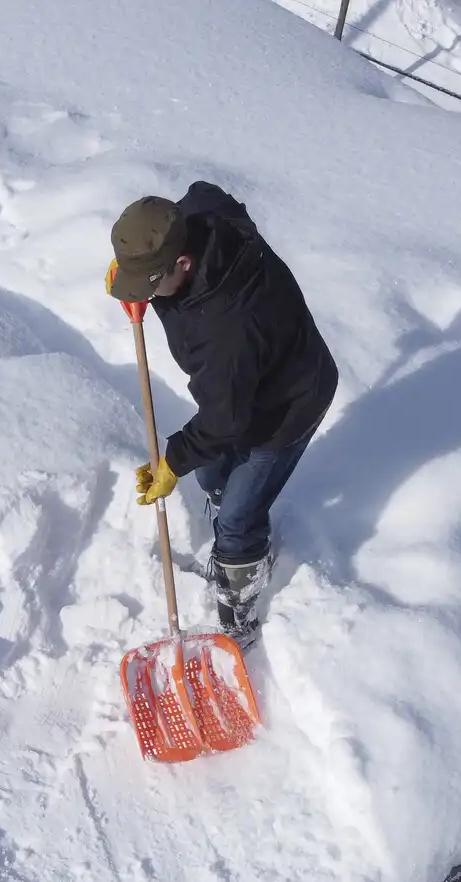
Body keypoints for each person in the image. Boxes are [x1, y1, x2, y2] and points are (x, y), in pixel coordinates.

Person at [107, 182, 337, 650]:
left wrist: (172, 461)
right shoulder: (199, 217)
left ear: (183, 263)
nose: (144, 294)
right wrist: (136, 273)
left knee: (236, 520)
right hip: (248, 384)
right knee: (212, 472)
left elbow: (224, 421)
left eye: (149, 284)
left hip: (287, 406)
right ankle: (233, 519)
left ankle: (239, 615)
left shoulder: (226, 328)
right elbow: (200, 193)